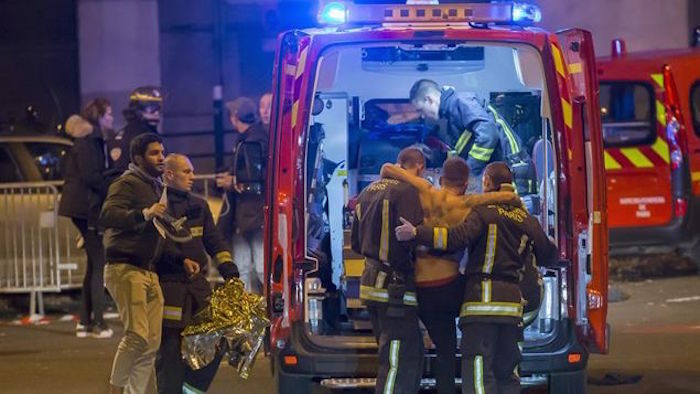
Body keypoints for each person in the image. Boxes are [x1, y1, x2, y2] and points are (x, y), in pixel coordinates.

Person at [395, 162, 558, 394]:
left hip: (480, 304)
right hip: (512, 308)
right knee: (508, 372)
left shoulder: (482, 214)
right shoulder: (526, 218)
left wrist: (416, 233)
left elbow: (454, 238)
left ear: (487, 183)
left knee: (479, 372)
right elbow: (548, 255)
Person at [380, 157, 521, 394]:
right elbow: (494, 199)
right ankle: (482, 346)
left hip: (422, 287)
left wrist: (417, 177)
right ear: (466, 183)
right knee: (451, 348)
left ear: (442, 178)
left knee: (440, 342)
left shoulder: (425, 190)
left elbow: (386, 168)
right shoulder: (467, 204)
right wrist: (511, 197)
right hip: (451, 287)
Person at [100, 133, 196, 394]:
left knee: (151, 343)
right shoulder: (127, 183)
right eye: (154, 153)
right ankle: (115, 390)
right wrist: (144, 213)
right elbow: (108, 214)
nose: (161, 158)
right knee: (137, 336)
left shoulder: (154, 186)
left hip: (148, 270)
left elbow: (160, 232)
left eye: (162, 152)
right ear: (138, 158)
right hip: (126, 267)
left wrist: (180, 258)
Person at [155, 153, 240, 394]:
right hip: (169, 287)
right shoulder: (159, 207)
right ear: (169, 175)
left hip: (197, 286)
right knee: (170, 351)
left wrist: (230, 271)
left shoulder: (198, 205)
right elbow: (158, 247)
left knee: (216, 338)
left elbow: (214, 241)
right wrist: (180, 260)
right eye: (187, 172)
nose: (193, 176)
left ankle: (191, 390)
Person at [351, 147, 426, 394]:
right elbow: (413, 238)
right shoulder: (407, 192)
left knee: (403, 352)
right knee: (397, 358)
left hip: (370, 283)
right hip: (395, 288)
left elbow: (355, 244)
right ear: (420, 167)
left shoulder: (365, 192)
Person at [410, 80, 536, 194]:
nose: (422, 116)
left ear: (429, 99)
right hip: (503, 171)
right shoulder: (450, 113)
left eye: (420, 110)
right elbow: (463, 149)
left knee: (514, 216)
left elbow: (488, 135)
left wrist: (468, 172)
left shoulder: (460, 101)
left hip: (514, 171)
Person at [59, 101, 114, 338]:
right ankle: (98, 324)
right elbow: (91, 177)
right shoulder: (89, 141)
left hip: (83, 207)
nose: (111, 118)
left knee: (93, 262)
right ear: (99, 117)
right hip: (85, 208)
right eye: (109, 114)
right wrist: (112, 190)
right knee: (99, 262)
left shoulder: (91, 140)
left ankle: (84, 321)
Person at [216, 97, 269, 293]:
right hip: (247, 215)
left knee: (257, 267)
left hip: (251, 213)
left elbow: (258, 174)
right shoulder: (254, 137)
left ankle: (264, 312)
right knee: (244, 265)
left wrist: (234, 181)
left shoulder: (252, 140)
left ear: (234, 117)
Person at [106, 86, 163, 175]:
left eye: (158, 108)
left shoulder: (122, 132)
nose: (156, 113)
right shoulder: (145, 136)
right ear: (138, 110)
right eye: (152, 108)